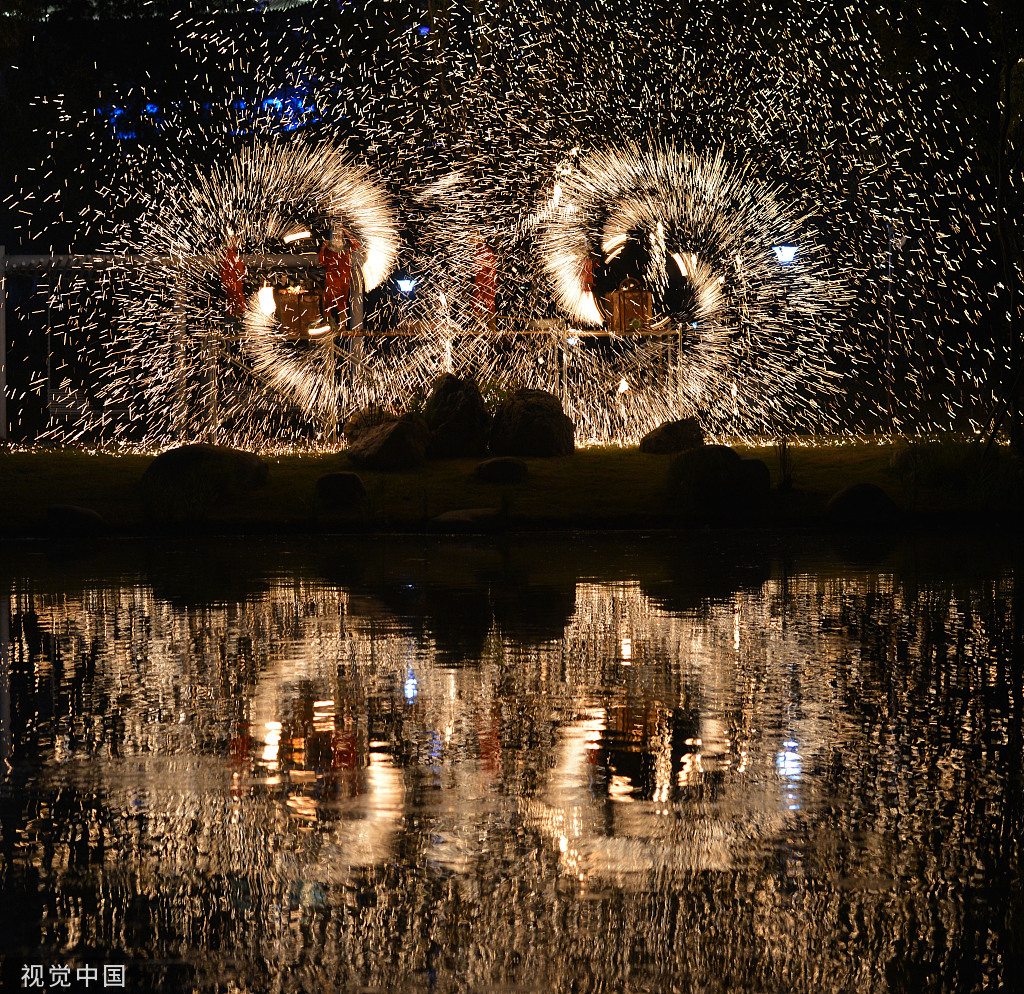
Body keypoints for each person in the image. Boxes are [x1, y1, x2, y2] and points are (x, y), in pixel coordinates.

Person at [319, 226, 361, 329]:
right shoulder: (329, 250)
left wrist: (347, 233)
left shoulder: (346, 249)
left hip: (343, 280)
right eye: (335, 235)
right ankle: (328, 325)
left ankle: (342, 326)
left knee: (342, 305)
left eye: (339, 235)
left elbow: (356, 245)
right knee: (328, 304)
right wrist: (323, 248)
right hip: (331, 280)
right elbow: (322, 261)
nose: (337, 237)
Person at [219, 230, 246, 318]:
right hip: (234, 286)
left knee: (230, 308)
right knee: (239, 308)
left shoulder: (224, 255)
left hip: (227, 285)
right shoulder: (232, 255)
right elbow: (240, 272)